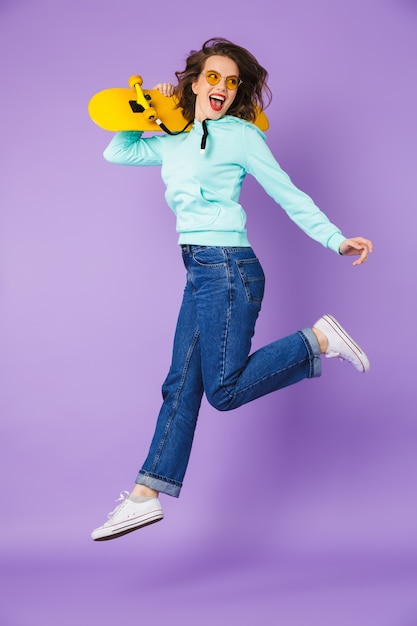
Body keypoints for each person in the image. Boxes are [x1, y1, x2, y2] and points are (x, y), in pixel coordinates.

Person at [91, 38, 373, 541]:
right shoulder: (171, 137)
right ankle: (145, 494)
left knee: (222, 390)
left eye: (231, 81)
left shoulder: (241, 136)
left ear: (235, 92)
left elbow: (289, 193)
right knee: (180, 384)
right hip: (200, 269)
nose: (221, 87)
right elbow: (117, 149)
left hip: (228, 267)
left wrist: (335, 239)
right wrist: (149, 108)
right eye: (213, 77)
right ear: (195, 84)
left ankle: (318, 341)